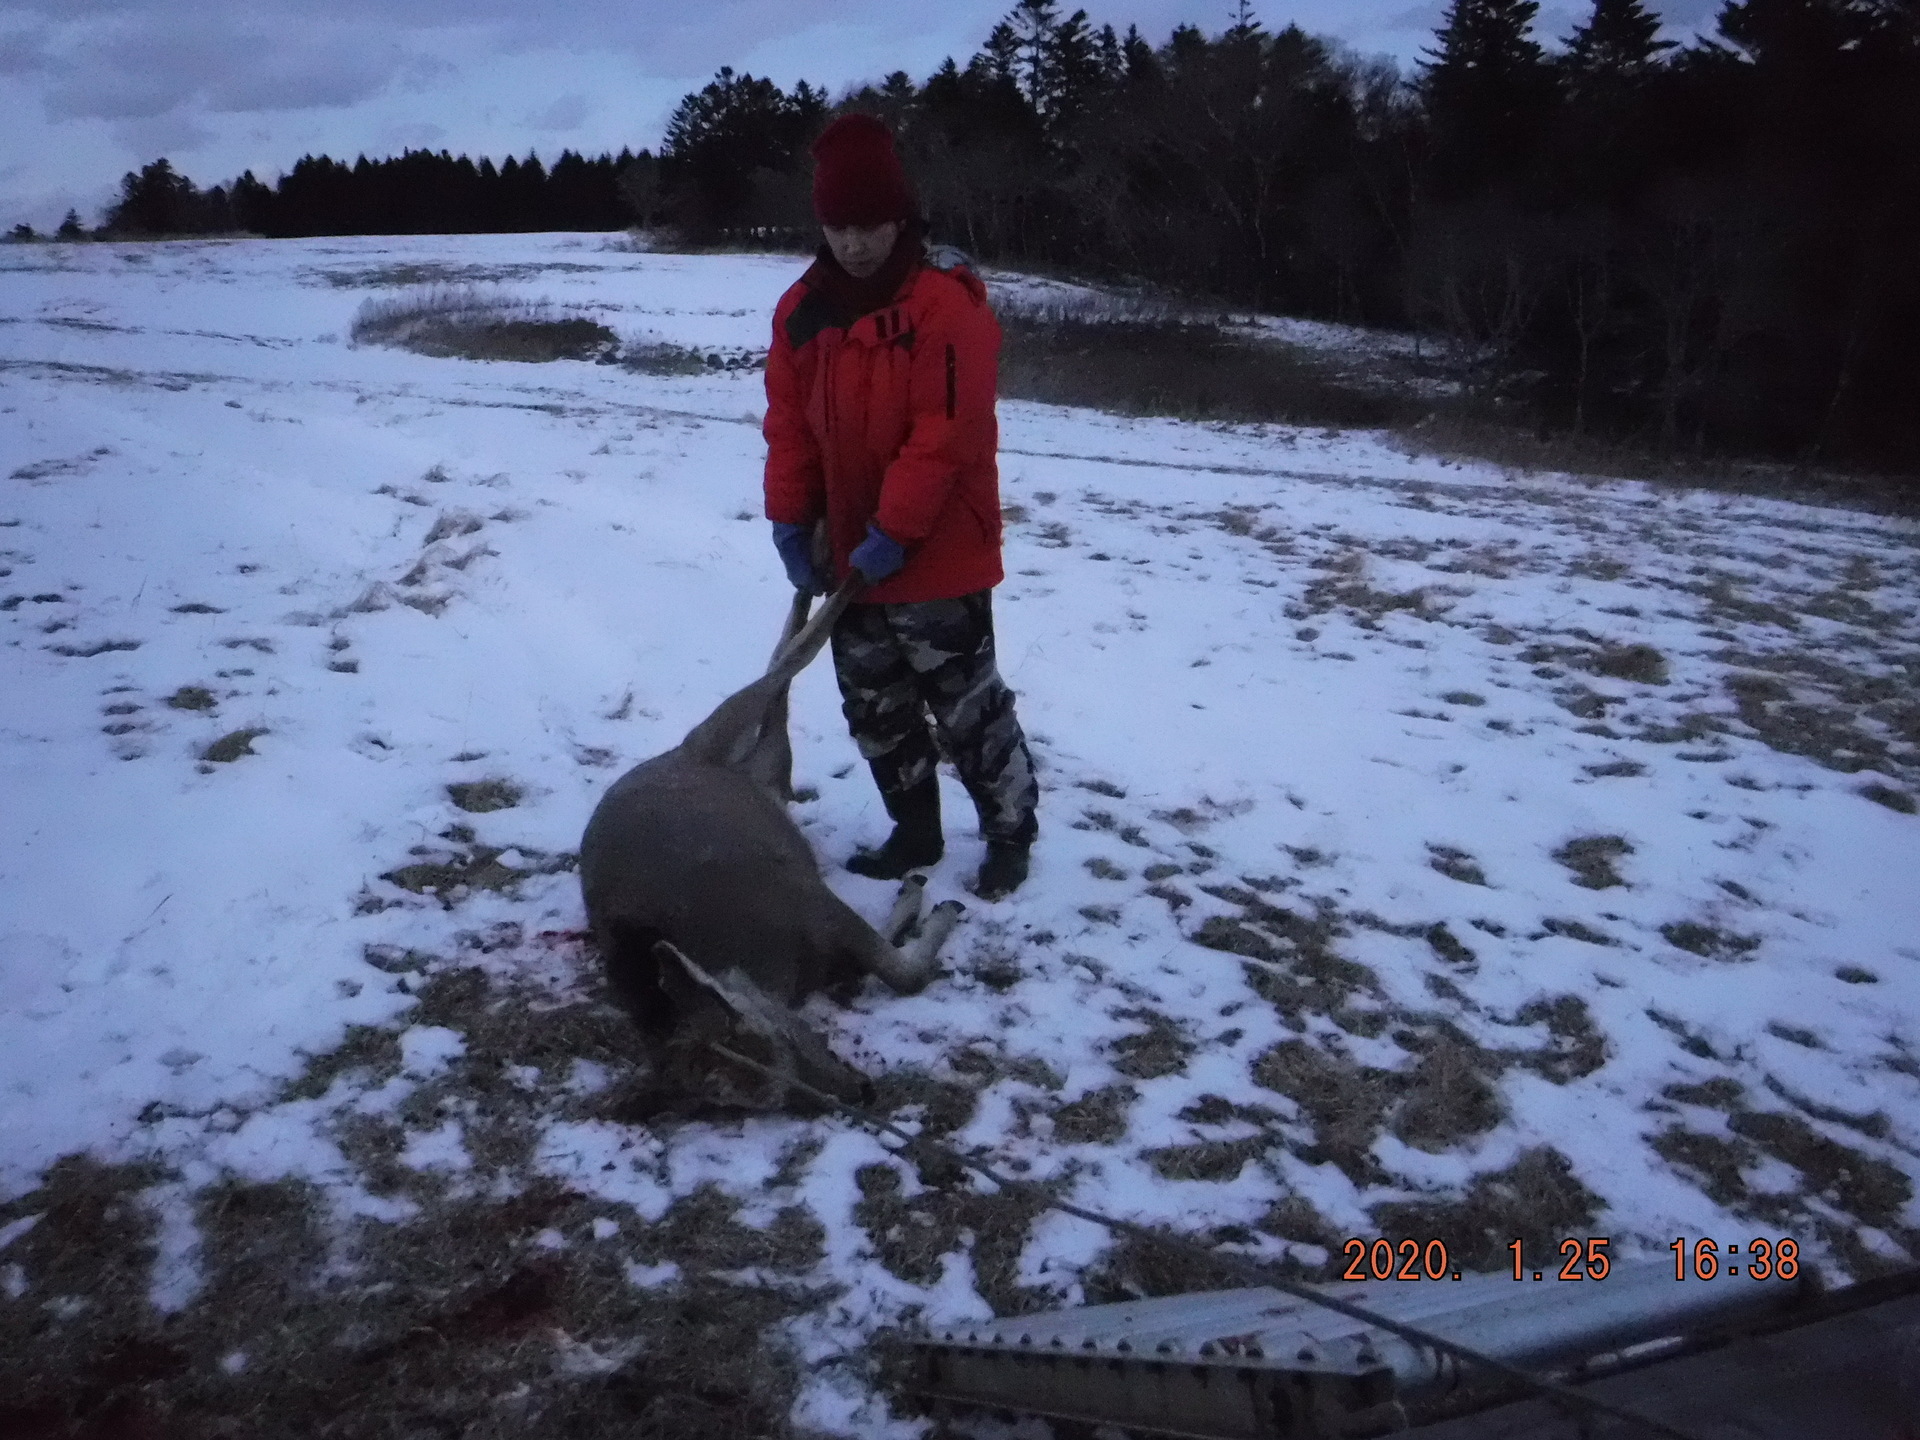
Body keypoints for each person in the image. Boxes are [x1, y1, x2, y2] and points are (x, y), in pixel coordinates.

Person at [762, 113, 1039, 901]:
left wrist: (895, 530)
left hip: (937, 550)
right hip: (847, 550)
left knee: (967, 708)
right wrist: (791, 516)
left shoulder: (944, 306)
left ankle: (1011, 833)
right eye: (838, 226)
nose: (854, 243)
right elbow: (789, 427)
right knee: (876, 705)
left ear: (902, 219)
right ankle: (914, 830)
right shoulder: (802, 310)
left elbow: (944, 435)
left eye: (870, 225)